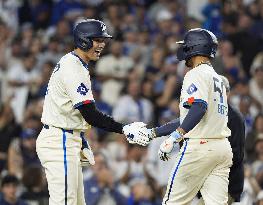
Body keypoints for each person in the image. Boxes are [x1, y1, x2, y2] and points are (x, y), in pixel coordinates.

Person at [36, 19, 149, 205]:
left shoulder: (75, 63)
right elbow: (90, 114)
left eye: (103, 40)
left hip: (66, 138)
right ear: (83, 40)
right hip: (60, 140)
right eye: (97, 40)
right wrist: (124, 129)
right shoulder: (73, 67)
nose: (102, 45)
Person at [136, 28, 233, 204]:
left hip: (199, 148)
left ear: (194, 47)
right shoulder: (217, 78)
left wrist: (176, 135)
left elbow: (199, 108)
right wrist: (154, 133)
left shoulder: (195, 73)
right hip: (222, 149)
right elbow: (190, 118)